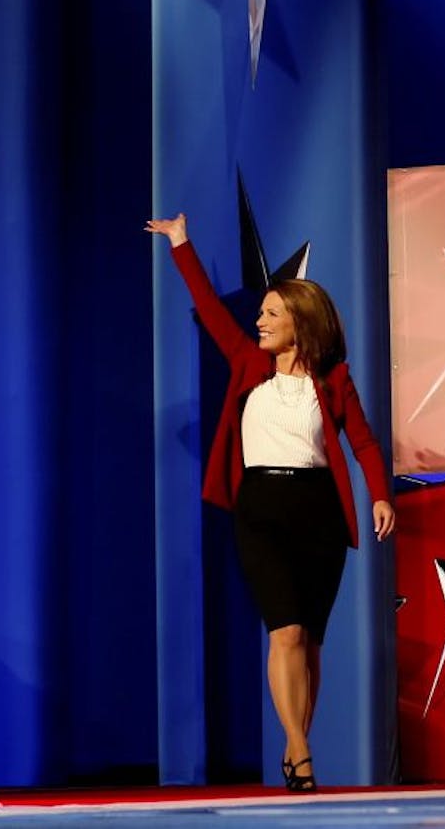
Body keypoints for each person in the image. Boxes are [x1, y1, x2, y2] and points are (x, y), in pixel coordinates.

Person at [146, 212, 395, 793]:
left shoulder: (332, 379)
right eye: (261, 313)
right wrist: (183, 244)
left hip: (318, 514)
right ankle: (301, 751)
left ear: (300, 323)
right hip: (260, 508)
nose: (258, 320)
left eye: (271, 314)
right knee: (283, 631)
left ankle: (295, 751)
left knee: (309, 641)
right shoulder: (246, 363)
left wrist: (380, 497)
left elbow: (362, 440)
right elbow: (209, 308)